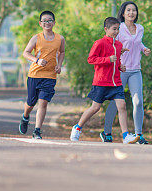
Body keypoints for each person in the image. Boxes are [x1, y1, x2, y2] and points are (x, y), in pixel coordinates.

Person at [70, 17, 140, 144]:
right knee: (95, 108)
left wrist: (120, 66)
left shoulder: (119, 45)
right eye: (114, 29)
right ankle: (77, 127)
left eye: (118, 29)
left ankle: (125, 136)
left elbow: (116, 61)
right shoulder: (99, 43)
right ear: (106, 29)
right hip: (101, 82)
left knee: (122, 106)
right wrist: (107, 59)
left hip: (116, 82)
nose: (116, 32)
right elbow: (91, 59)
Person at [100, 1, 151, 144]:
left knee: (138, 101)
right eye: (128, 10)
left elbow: (138, 43)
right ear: (123, 13)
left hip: (135, 70)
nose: (131, 13)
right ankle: (106, 132)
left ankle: (138, 135)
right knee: (115, 102)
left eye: (134, 10)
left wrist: (144, 49)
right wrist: (116, 53)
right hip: (120, 69)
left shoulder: (140, 28)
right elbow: (110, 43)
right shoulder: (119, 28)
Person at [19, 10, 65, 140]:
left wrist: (59, 65)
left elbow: (62, 52)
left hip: (50, 75)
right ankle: (25, 117)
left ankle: (37, 130)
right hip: (35, 74)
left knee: (43, 102)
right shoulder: (36, 38)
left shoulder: (60, 38)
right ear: (40, 23)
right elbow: (26, 53)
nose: (47, 23)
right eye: (44, 21)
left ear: (54, 22)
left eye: (50, 20)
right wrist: (37, 60)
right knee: (31, 103)